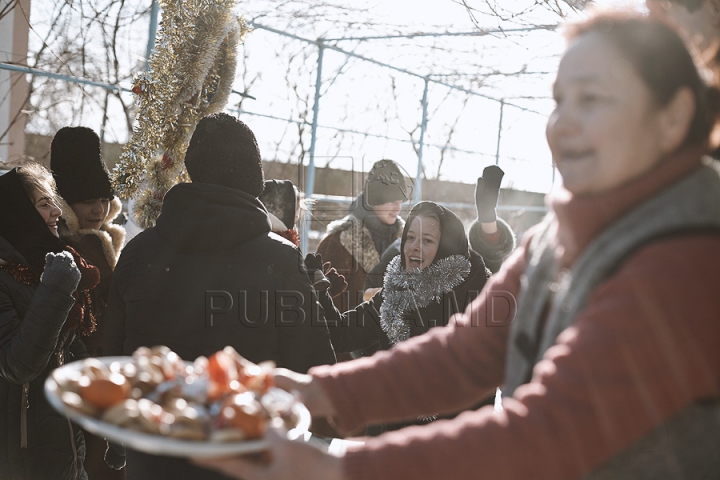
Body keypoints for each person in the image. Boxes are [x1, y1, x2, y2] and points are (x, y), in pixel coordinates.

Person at [195, 12, 720, 480]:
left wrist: (336, 468)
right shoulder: (557, 236)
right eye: (559, 100)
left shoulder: (688, 256)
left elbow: (548, 434)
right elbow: (465, 355)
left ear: (673, 117)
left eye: (594, 99)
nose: (564, 123)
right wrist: (314, 392)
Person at [103, 112, 337, 480]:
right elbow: (313, 364)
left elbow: (109, 355)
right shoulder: (280, 260)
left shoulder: (139, 252)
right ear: (254, 181)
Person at [0, 163, 101, 480]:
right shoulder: (6, 275)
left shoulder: (42, 263)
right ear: (18, 213)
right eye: (44, 204)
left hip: (64, 448)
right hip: (20, 457)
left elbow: (69, 348)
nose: (58, 211)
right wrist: (55, 288)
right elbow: (18, 366)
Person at [51, 125, 127, 479]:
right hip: (86, 377)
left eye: (104, 199)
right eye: (86, 201)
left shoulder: (105, 240)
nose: (98, 209)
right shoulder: (69, 249)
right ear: (64, 204)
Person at [362, 165, 515, 299]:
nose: (415, 246)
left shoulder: (455, 276)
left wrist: (487, 219)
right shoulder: (394, 259)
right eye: (410, 237)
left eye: (428, 240)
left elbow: (482, 272)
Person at [315, 159, 413, 313]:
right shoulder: (337, 242)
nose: (398, 208)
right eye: (392, 201)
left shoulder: (408, 241)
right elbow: (324, 307)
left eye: (400, 201)